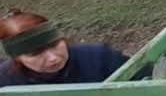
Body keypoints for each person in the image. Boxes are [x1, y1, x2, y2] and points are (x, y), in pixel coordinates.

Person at [0, 9, 128, 88]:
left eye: (55, 45)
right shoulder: (5, 81)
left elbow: (143, 84)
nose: (53, 58)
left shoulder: (100, 57)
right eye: (36, 54)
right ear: (17, 58)